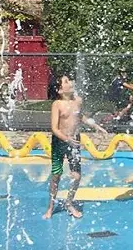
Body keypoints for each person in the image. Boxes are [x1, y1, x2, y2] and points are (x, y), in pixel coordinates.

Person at [43, 74, 108, 219]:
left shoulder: (78, 101)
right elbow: (54, 128)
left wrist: (96, 126)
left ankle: (69, 203)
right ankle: (50, 206)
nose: (70, 82)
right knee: (56, 175)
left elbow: (80, 117)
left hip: (74, 142)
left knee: (77, 176)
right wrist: (67, 139)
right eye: (66, 82)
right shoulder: (57, 104)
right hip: (60, 142)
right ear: (60, 90)